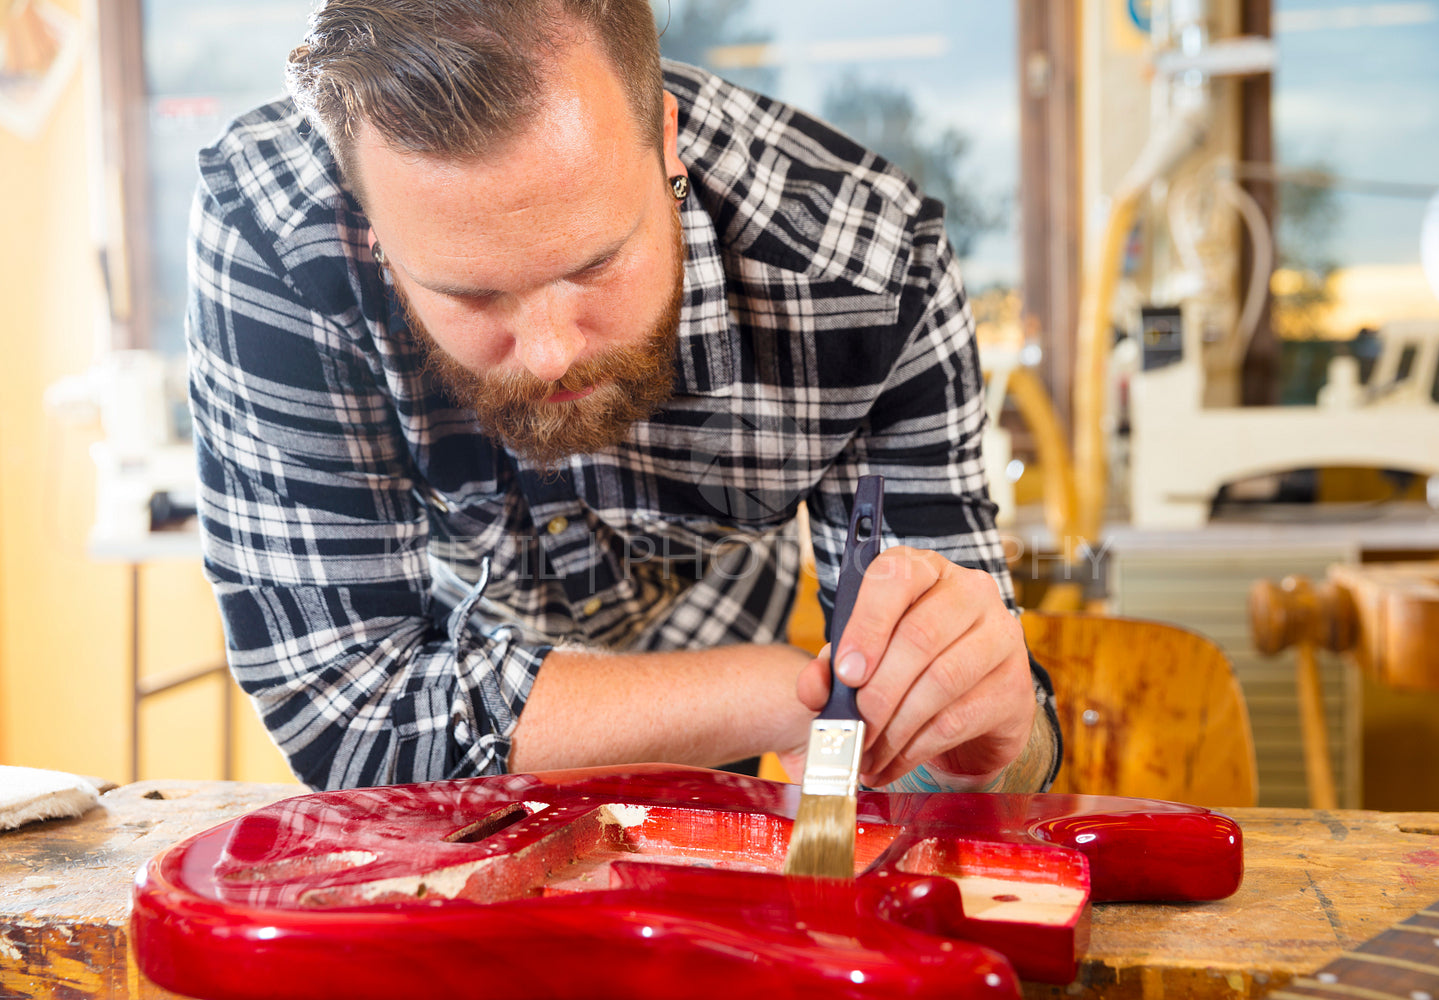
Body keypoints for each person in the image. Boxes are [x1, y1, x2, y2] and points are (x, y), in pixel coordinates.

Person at [187, 0, 1061, 793]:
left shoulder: (869, 274)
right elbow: (342, 708)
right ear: (366, 216)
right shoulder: (272, 227)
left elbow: (957, 767)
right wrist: (782, 691)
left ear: (666, 140)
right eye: (471, 294)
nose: (547, 354)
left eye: (595, 263)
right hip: (450, 769)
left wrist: (983, 735)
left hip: (712, 659)